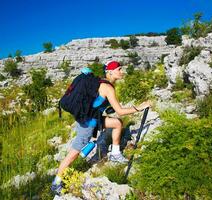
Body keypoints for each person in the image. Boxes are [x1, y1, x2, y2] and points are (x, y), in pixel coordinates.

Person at [51, 61, 151, 195]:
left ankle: (115, 154)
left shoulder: (102, 83)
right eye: (119, 69)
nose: (122, 72)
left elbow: (98, 103)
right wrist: (138, 107)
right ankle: (56, 182)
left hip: (92, 118)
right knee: (73, 154)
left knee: (117, 123)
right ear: (110, 72)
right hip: (88, 124)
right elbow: (120, 111)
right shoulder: (108, 87)